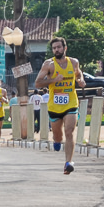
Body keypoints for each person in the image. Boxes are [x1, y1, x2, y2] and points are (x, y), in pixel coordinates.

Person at [35, 36, 86, 175]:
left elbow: (78, 73)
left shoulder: (74, 62)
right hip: (54, 106)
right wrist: (53, 80)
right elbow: (37, 83)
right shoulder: (49, 64)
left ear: (65, 48)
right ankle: (56, 141)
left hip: (71, 103)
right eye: (54, 48)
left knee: (69, 132)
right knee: (58, 136)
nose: (56, 50)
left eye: (59, 47)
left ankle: (68, 163)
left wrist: (80, 80)